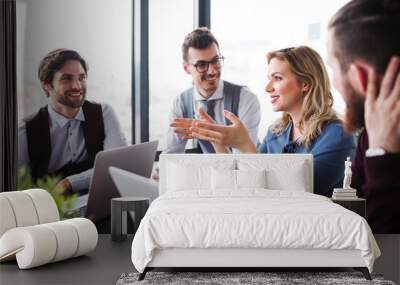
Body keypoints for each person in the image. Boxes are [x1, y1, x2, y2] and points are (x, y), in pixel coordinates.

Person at [172, 46, 356, 197]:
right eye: (269, 79)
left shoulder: (338, 135)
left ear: (305, 84)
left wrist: (245, 145)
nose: (268, 88)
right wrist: (219, 142)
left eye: (277, 78)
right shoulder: (276, 132)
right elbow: (246, 185)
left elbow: (297, 194)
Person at [327, 0, 400, 233]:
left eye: (334, 67)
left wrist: (384, 154)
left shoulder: (379, 138)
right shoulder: (371, 131)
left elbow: (381, 254)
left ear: (360, 77)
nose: (334, 81)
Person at [18, 49, 127, 195]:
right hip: (54, 210)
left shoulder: (104, 114)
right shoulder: (26, 131)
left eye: (82, 78)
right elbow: (20, 187)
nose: (77, 86)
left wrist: (69, 183)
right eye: (67, 78)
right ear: (47, 85)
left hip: (99, 200)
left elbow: (117, 165)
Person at [164, 27, 261, 153]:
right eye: (202, 65)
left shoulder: (246, 99)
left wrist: (213, 135)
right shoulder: (181, 103)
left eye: (215, 61)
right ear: (186, 68)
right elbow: (171, 154)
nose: (212, 71)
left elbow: (243, 164)